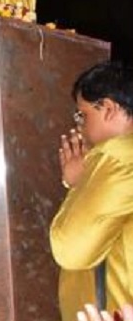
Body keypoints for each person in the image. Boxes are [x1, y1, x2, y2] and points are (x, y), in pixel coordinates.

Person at [50, 61, 133, 321]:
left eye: (82, 114)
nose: (79, 127)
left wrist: (77, 183)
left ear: (108, 108)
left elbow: (71, 248)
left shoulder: (118, 156)